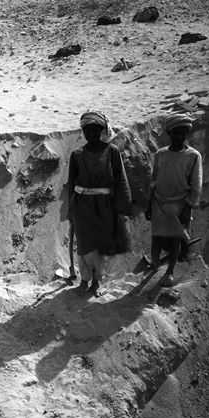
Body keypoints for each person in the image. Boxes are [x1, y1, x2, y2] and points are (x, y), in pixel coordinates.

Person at [65, 110, 133, 297]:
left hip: (105, 205)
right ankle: (84, 279)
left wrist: (122, 206)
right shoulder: (76, 155)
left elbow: (121, 180)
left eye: (96, 130)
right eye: (88, 130)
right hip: (82, 205)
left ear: (102, 130)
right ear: (84, 132)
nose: (92, 134)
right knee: (85, 246)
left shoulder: (112, 152)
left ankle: (96, 280)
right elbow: (71, 183)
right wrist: (71, 210)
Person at [145, 114, 203, 287]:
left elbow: (197, 184)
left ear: (187, 133)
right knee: (156, 238)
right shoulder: (161, 154)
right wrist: (149, 204)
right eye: (174, 133)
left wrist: (188, 207)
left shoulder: (193, 156)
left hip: (180, 204)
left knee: (175, 239)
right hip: (159, 204)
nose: (178, 136)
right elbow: (154, 180)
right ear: (169, 133)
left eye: (182, 133)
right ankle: (155, 266)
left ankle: (170, 271)